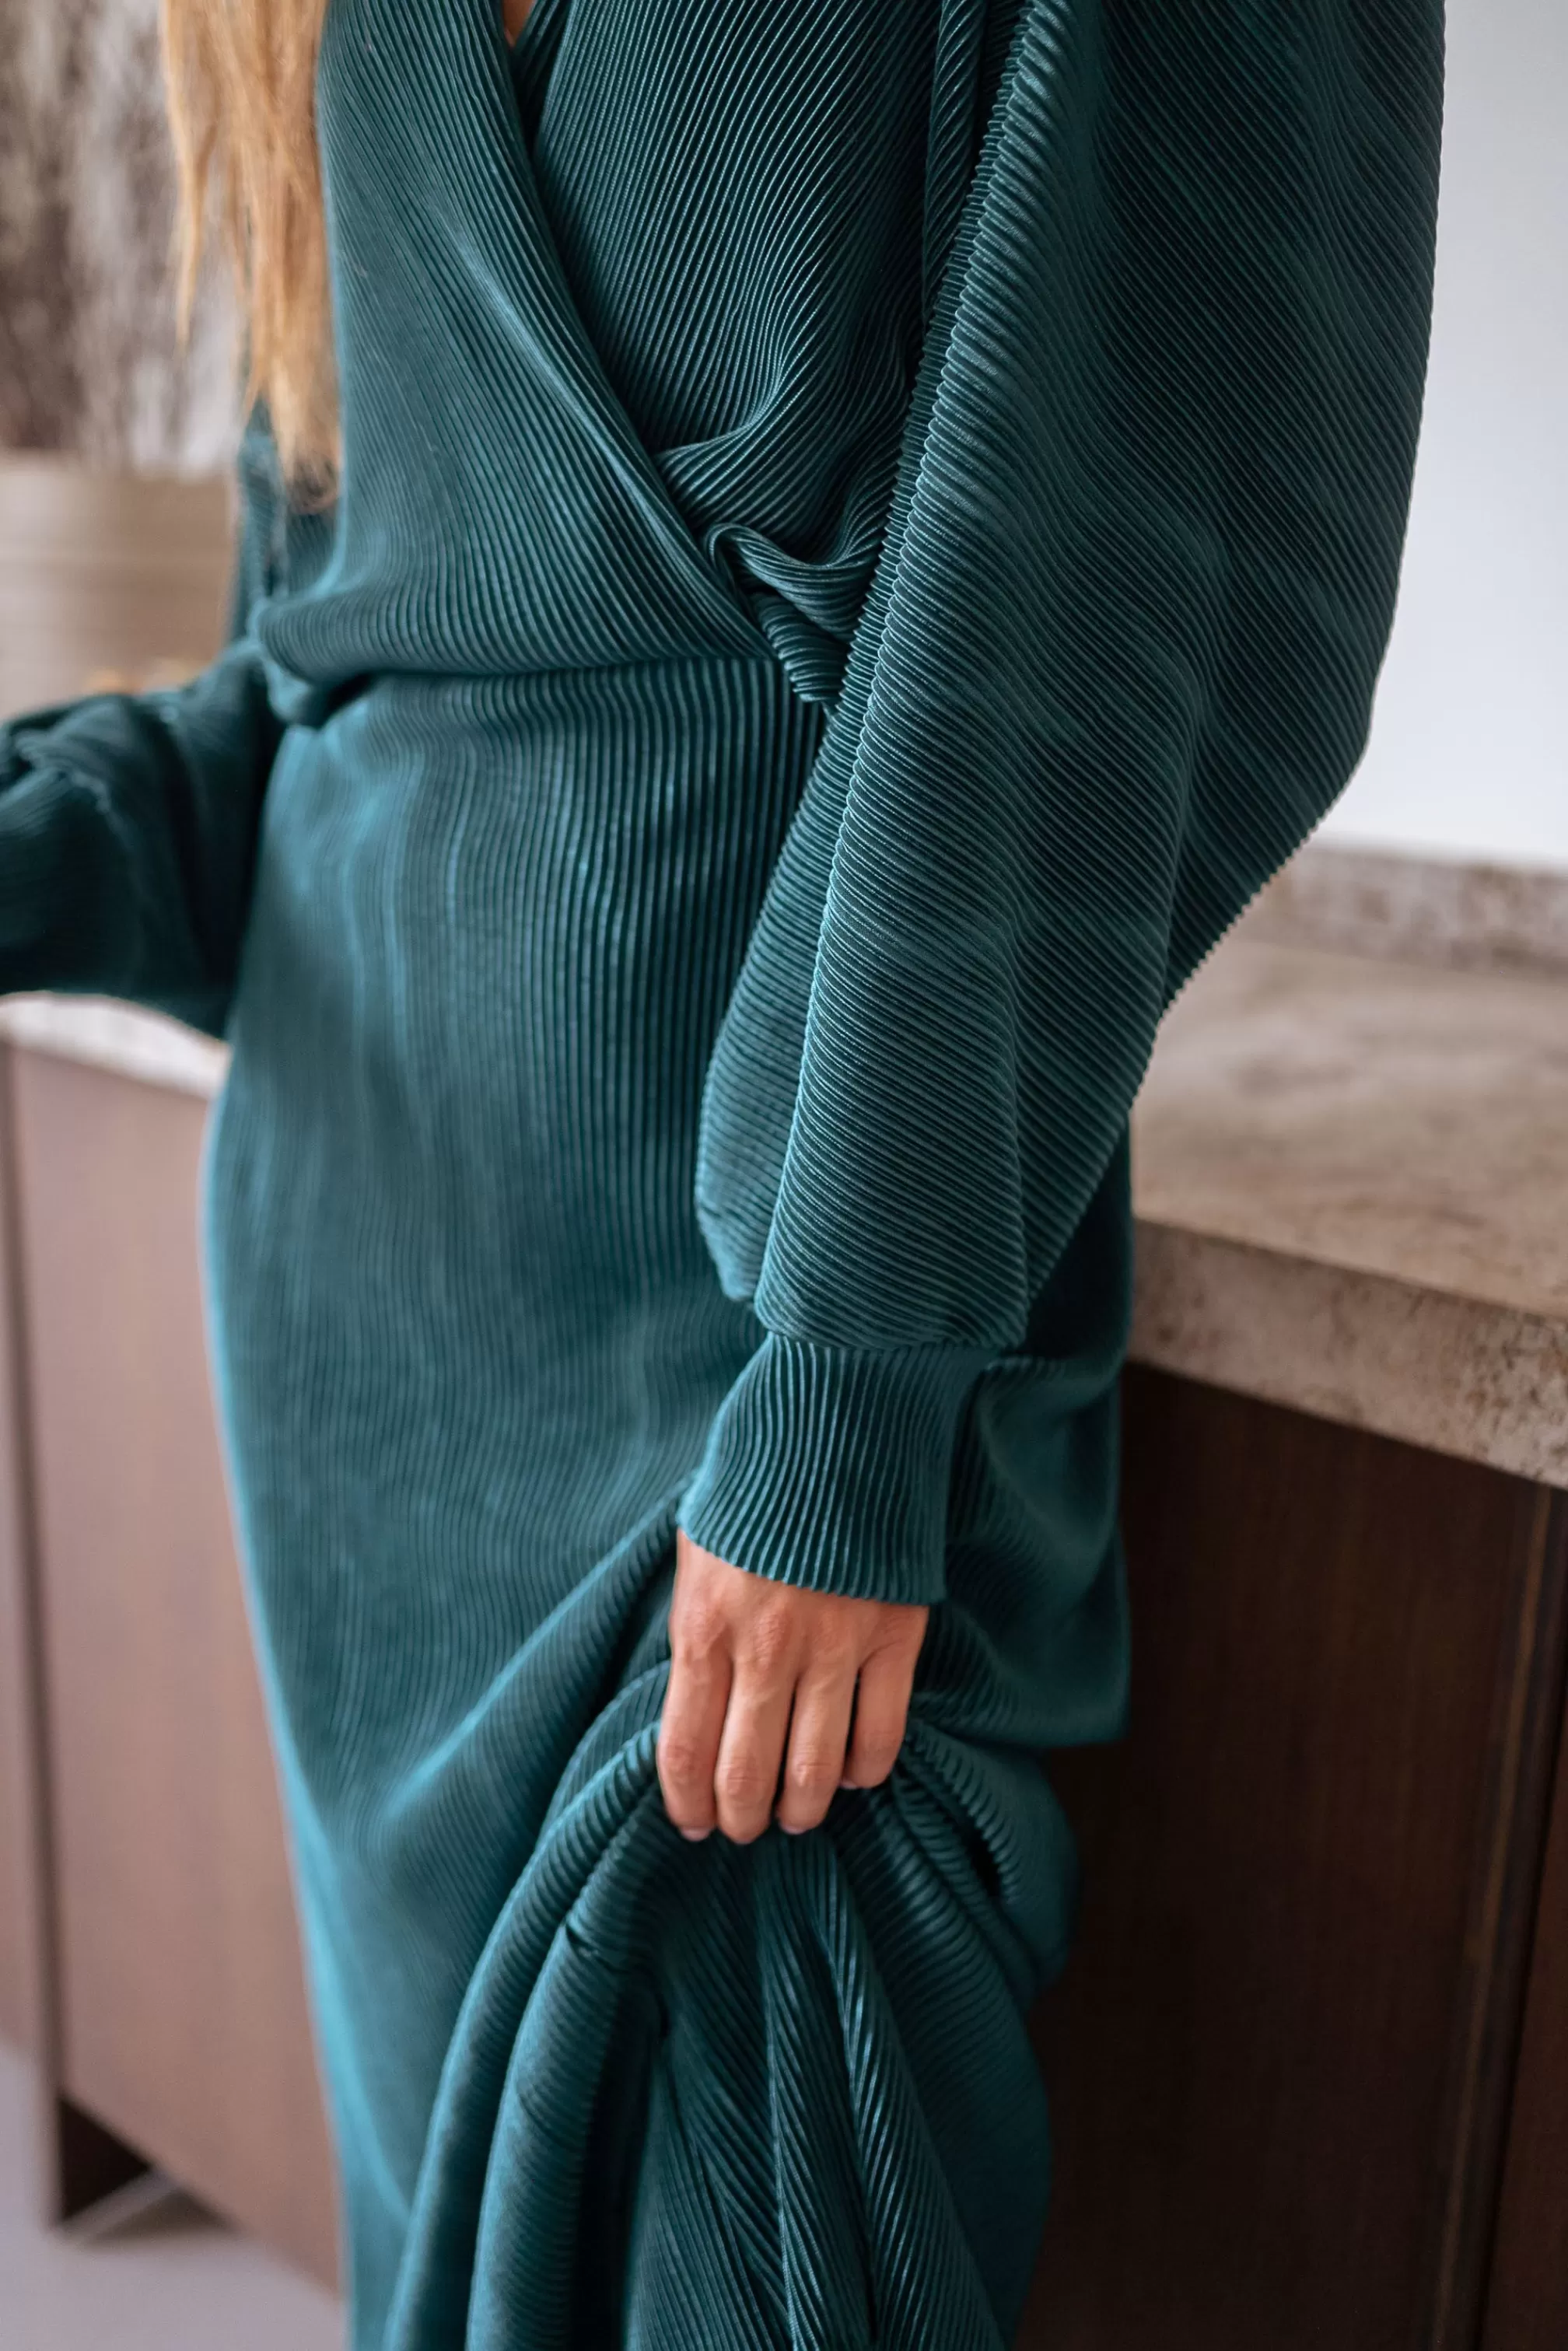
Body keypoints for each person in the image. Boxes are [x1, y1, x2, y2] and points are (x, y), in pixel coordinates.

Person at [0, 2, 1444, 2343]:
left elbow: (1128, 552)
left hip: (765, 1382)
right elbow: (319, 692)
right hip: (363, 1372)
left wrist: (851, 1375)